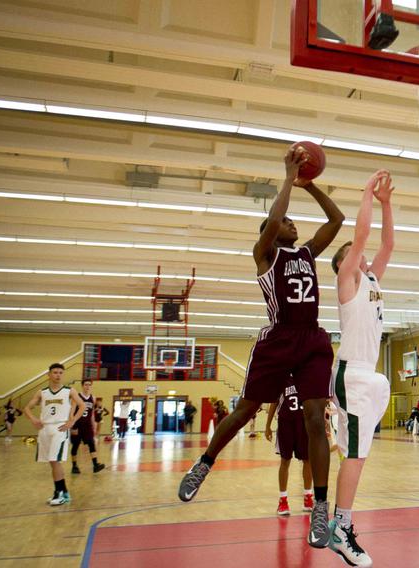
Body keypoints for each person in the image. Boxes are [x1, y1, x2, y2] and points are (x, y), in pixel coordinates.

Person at [178, 146, 345, 552]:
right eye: (285, 221)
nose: (291, 224)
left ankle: (320, 506)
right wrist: (287, 178)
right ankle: (204, 464)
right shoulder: (264, 255)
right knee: (245, 410)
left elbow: (337, 219)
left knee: (314, 418)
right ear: (270, 233)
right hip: (278, 339)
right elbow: (272, 220)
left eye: (291, 220)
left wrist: (310, 185)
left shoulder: (306, 252)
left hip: (312, 339)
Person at [323, 169, 394, 566]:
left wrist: (387, 204)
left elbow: (387, 243)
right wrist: (366, 192)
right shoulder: (347, 281)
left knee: (360, 455)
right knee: (352, 455)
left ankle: (343, 524)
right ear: (345, 264)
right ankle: (340, 527)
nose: (363, 253)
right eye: (353, 252)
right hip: (351, 374)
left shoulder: (372, 281)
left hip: (371, 375)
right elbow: (365, 238)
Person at [23, 363, 86, 505]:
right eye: (55, 372)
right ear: (49, 375)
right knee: (52, 462)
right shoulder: (42, 392)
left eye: (60, 372)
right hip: (45, 429)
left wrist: (72, 421)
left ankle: (59, 493)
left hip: (60, 428)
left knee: (54, 459)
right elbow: (27, 408)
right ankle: (64, 492)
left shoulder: (69, 391)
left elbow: (82, 405)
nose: (58, 375)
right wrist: (33, 419)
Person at [265, 383, 314, 516]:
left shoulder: (305, 375)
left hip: (304, 422)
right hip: (285, 422)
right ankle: (283, 500)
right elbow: (274, 402)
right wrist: (268, 425)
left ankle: (308, 497)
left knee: (307, 460)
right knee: (285, 460)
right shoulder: (282, 375)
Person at [70, 379, 105, 474]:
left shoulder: (93, 398)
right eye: (86, 384)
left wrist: (94, 425)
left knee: (91, 443)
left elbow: (92, 414)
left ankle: (95, 465)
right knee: (75, 445)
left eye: (89, 385)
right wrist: (72, 425)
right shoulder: (77, 397)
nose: (88, 386)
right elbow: (72, 411)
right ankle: (74, 466)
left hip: (87, 425)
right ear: (82, 385)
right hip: (77, 424)